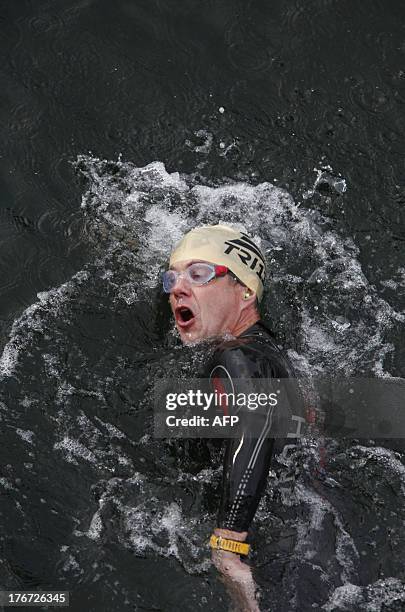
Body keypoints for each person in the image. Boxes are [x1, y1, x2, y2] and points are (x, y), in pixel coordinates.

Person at [163, 225, 304, 611]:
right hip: (299, 527)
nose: (177, 287)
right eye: (172, 277)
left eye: (199, 274)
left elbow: (254, 422)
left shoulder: (238, 356)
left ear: (244, 290)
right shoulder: (271, 351)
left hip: (268, 546)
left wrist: (228, 545)